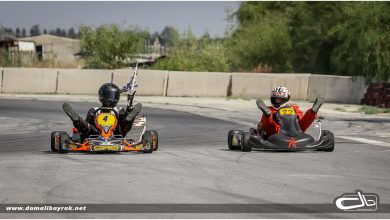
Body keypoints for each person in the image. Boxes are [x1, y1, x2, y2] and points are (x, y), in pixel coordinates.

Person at [62, 83, 142, 138]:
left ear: (101, 96)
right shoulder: (119, 110)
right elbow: (124, 120)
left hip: (98, 135)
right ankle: (130, 119)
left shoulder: (94, 110)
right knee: (125, 124)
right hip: (116, 136)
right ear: (117, 98)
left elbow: (87, 126)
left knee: (86, 127)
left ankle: (78, 121)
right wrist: (129, 107)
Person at [256, 86, 324, 138]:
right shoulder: (270, 110)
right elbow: (264, 125)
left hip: (296, 131)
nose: (277, 101)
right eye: (275, 99)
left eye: (279, 99)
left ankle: (312, 112)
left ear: (286, 99)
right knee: (268, 119)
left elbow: (302, 122)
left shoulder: (294, 108)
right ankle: (268, 116)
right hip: (275, 134)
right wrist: (271, 115)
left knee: (302, 123)